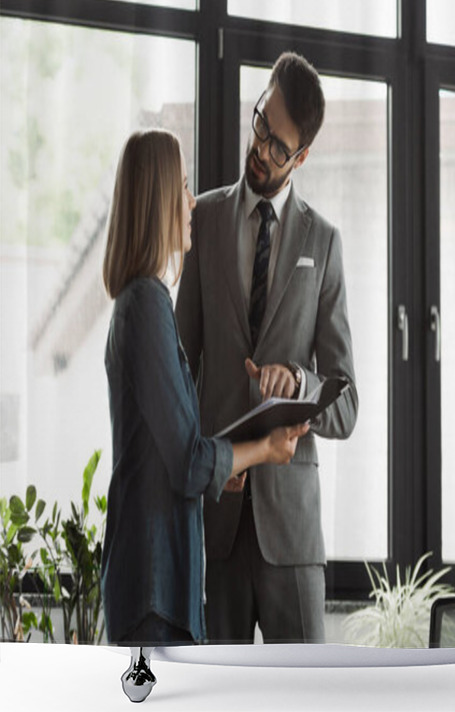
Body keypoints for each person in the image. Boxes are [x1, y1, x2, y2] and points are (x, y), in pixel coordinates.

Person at [175, 52, 358, 644]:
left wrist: (299, 385)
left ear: (301, 156)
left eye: (278, 146)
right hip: (218, 524)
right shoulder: (200, 221)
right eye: (260, 124)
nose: (259, 148)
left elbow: (346, 403)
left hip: (293, 536)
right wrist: (202, 461)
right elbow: (179, 367)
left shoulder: (323, 243)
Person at [100, 128, 309, 646]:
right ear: (160, 202)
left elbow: (173, 456)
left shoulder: (142, 303)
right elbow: (190, 462)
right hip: (155, 587)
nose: (192, 203)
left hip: (157, 582)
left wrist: (228, 468)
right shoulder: (147, 306)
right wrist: (263, 449)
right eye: (185, 188)